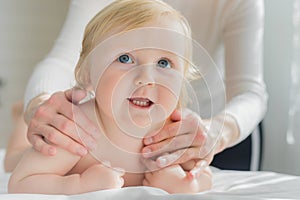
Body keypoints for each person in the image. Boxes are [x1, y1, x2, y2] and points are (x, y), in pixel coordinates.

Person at [5, 0, 267, 176]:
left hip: (218, 124)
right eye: (125, 58)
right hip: (118, 116)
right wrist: (40, 104)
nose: (147, 78)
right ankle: (20, 120)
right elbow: (64, 59)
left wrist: (216, 132)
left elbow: (250, 91)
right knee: (22, 159)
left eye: (164, 62)